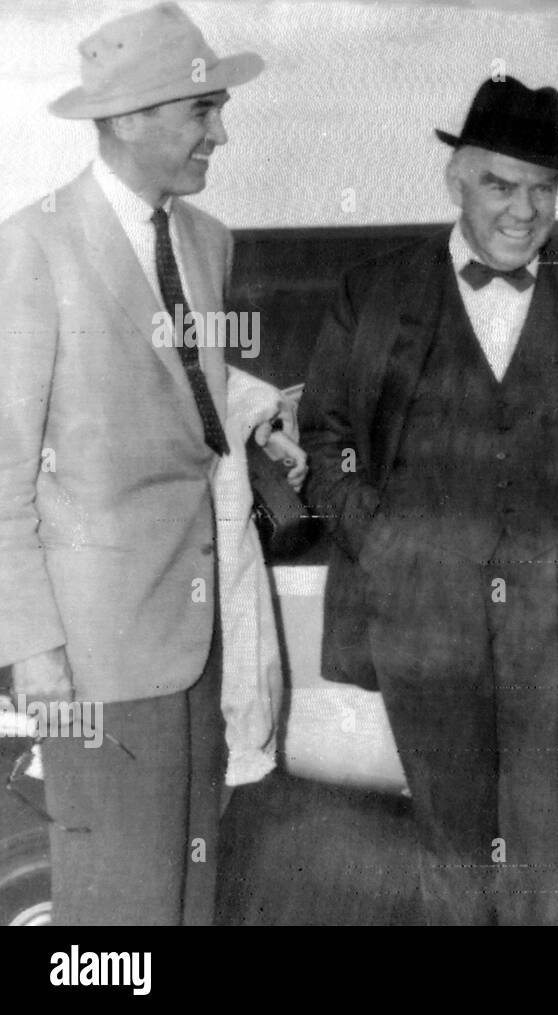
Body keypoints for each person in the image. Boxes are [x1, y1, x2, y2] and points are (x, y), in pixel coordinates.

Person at [298, 76, 558, 926]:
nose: (524, 209)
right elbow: (327, 441)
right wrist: (385, 546)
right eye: (501, 184)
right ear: (455, 180)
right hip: (422, 620)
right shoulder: (373, 290)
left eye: (543, 188)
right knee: (452, 856)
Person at [0, 2, 305, 925]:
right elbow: (5, 475)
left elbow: (188, 396)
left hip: (199, 641)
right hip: (88, 661)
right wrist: (35, 658)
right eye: (201, 110)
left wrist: (258, 418)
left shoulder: (208, 243)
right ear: (128, 118)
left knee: (189, 898)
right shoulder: (32, 246)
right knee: (112, 908)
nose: (223, 131)